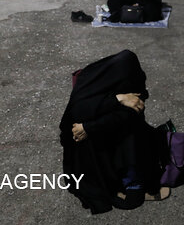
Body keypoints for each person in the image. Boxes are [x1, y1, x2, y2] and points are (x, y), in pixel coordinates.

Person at [59, 50, 167, 214]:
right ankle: (116, 182)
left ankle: (132, 182)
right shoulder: (89, 80)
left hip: (104, 133)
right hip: (84, 143)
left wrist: (89, 127)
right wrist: (117, 99)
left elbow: (129, 114)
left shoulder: (131, 81)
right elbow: (77, 114)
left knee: (130, 128)